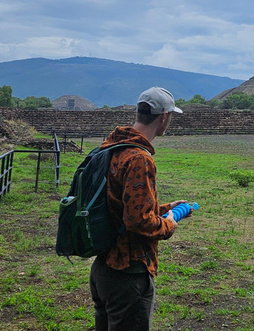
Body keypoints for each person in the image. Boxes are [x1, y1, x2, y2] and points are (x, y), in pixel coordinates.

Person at [90, 86, 188, 331]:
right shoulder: (139, 158)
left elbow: (117, 202)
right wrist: (169, 224)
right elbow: (137, 221)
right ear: (164, 117)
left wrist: (165, 207)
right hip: (128, 271)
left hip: (104, 266)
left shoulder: (112, 147)